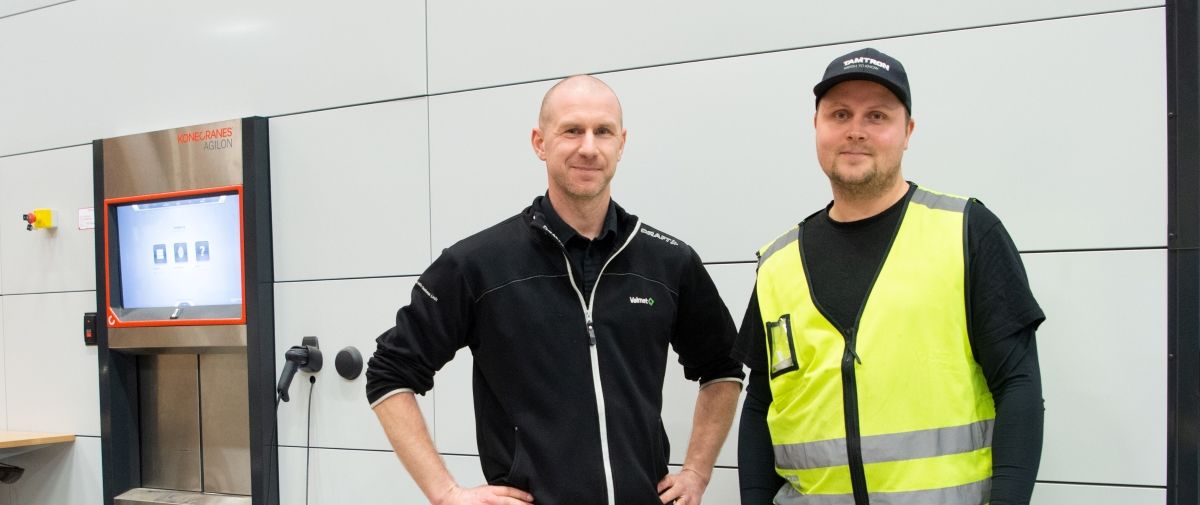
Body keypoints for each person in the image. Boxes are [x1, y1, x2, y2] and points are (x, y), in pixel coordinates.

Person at [366, 75, 745, 505]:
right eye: (571, 130)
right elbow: (389, 373)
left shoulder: (669, 262)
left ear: (621, 143)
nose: (588, 147)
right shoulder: (479, 263)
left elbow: (724, 367)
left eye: (603, 131)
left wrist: (696, 471)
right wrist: (446, 492)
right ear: (539, 142)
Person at [733, 48, 1045, 505]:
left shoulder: (965, 231)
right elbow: (761, 403)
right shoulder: (778, 262)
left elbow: (1018, 385)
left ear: (907, 132)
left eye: (876, 115)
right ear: (816, 126)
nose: (855, 130)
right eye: (840, 114)